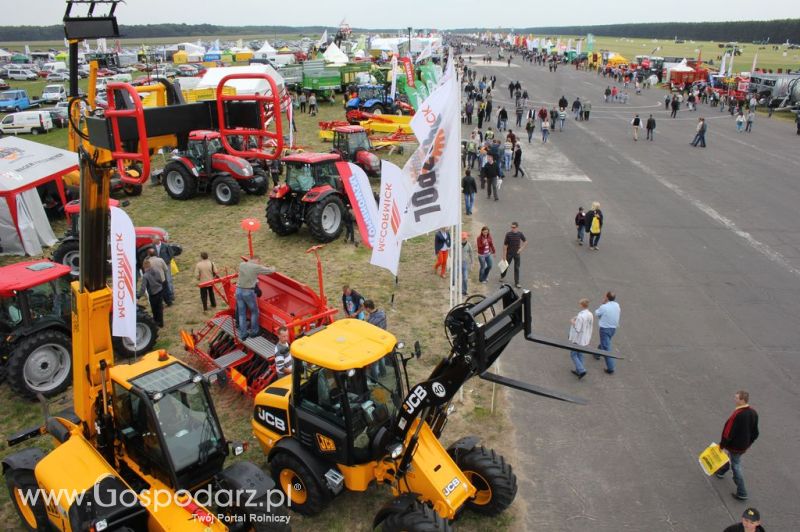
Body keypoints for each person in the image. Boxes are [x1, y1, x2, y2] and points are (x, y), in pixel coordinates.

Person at [716, 390, 759, 501]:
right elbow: (756, 432)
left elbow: (728, 432)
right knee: (732, 458)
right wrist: (748, 443)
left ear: (742, 400)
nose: (734, 400)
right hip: (743, 445)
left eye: (736, 398)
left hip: (735, 445)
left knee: (736, 465)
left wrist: (722, 445)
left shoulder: (738, 414)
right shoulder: (753, 412)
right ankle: (721, 471)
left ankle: (742, 491)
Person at [236, 257, 275, 339]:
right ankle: (254, 331)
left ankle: (243, 333)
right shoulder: (256, 267)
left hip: (238, 291)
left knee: (242, 313)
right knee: (254, 311)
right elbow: (271, 271)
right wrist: (273, 267)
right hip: (248, 292)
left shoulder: (242, 264)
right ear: (257, 261)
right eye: (259, 262)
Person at [594, 291, 620, 374]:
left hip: (605, 328)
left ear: (607, 297)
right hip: (613, 328)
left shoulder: (604, 307)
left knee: (606, 348)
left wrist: (603, 303)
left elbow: (596, 313)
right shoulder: (617, 305)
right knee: (605, 342)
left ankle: (610, 368)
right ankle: (597, 354)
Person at [568, 298, 593, 379]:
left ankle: (581, 370)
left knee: (573, 354)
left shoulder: (581, 316)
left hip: (578, 339)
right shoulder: (590, 314)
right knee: (580, 353)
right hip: (586, 338)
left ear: (582, 305)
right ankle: (578, 370)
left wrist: (572, 321)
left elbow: (577, 328)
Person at [138, 258, 164, 328]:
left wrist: (139, 296)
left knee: (154, 309)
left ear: (144, 267)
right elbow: (160, 280)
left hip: (153, 293)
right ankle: (161, 323)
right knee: (160, 307)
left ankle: (156, 322)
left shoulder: (145, 276)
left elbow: (143, 288)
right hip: (160, 290)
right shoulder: (156, 271)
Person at [500, 221, 527, 288]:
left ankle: (517, 283)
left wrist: (521, 249)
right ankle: (502, 276)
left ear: (517, 227)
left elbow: (525, 241)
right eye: (511, 227)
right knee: (505, 266)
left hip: (517, 254)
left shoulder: (520, 234)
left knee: (517, 268)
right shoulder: (508, 234)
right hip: (509, 253)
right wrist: (504, 255)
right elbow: (505, 245)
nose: (512, 228)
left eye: (514, 227)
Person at [151, 236, 175, 305]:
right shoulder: (152, 246)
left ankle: (171, 295)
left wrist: (168, 261)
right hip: (158, 266)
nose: (152, 240)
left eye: (153, 239)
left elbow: (171, 254)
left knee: (168, 279)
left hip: (166, 264)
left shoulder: (165, 246)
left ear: (158, 240)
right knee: (160, 280)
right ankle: (163, 296)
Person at [460, 231, 473, 296]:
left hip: (465, 263)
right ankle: (452, 286)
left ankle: (464, 291)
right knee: (455, 277)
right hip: (457, 263)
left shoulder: (468, 245)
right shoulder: (456, 244)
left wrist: (472, 263)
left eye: (465, 238)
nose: (464, 239)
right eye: (462, 238)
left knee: (465, 278)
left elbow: (471, 254)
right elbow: (451, 249)